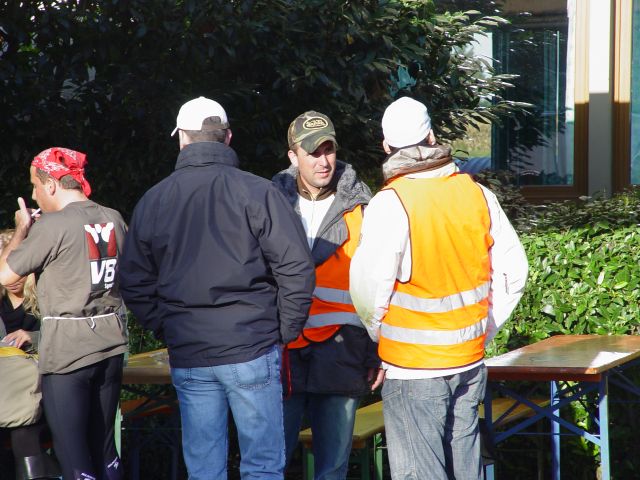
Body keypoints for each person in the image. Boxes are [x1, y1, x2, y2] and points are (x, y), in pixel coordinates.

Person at [118, 96, 315, 480]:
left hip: (191, 348)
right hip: (251, 343)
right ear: (228, 137)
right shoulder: (258, 192)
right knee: (263, 467)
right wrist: (283, 331)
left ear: (182, 139)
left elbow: (134, 280)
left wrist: (167, 326)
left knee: (205, 470)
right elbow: (297, 267)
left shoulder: (155, 199)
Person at [350, 97, 528, 480]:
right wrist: (483, 328)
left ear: (386, 146)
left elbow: (368, 289)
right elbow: (514, 272)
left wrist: (379, 335)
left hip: (414, 368)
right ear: (432, 137)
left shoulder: (390, 203)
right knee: (466, 467)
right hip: (469, 361)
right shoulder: (477, 194)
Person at [0, 147, 129, 480]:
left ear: (52, 184)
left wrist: (22, 229)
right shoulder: (113, 217)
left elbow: (6, 276)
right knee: (105, 449)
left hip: (68, 352)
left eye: (35, 185)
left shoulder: (53, 225)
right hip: (111, 345)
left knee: (73, 453)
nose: (33, 195)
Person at [272, 111, 382, 479]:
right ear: (293, 156)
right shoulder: (269, 202)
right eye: (313, 152)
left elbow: (378, 283)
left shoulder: (362, 207)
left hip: (343, 350)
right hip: (284, 350)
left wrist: (377, 349)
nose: (324, 161)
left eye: (329, 150)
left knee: (333, 469)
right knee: (270, 464)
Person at [0, 230, 62, 480]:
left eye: (21, 268)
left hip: (38, 392)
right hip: (6, 394)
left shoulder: (48, 298)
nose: (14, 278)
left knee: (24, 432)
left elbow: (66, 338)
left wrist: (33, 337)